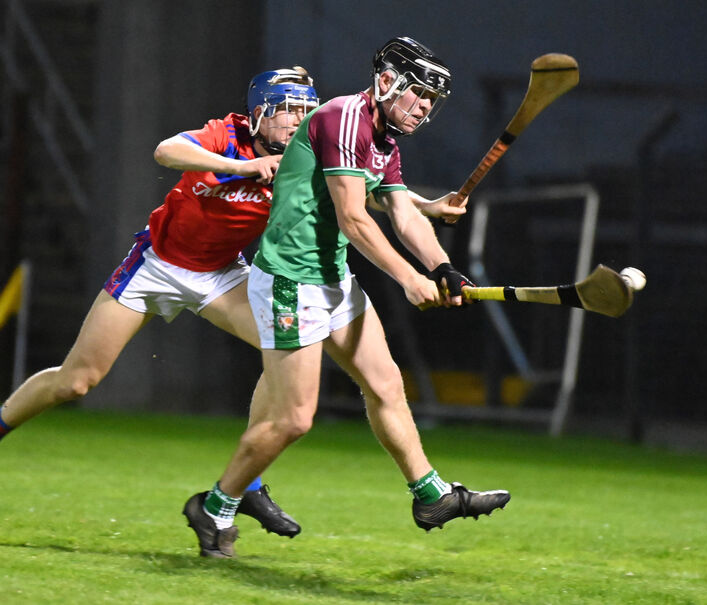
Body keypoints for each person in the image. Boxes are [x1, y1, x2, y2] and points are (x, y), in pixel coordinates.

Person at [0, 66, 467, 541]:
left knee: (284, 351)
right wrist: (243, 167)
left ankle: (247, 485)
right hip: (157, 266)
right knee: (77, 381)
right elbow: (166, 150)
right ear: (260, 112)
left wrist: (426, 206)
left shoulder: (302, 153)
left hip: (222, 275)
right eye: (288, 110)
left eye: (305, 110)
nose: (298, 119)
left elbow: (361, 185)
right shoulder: (228, 135)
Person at [182, 37, 510, 559]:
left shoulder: (384, 142)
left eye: (432, 100)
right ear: (387, 82)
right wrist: (408, 279)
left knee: (386, 385)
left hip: (332, 280)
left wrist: (443, 269)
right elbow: (355, 218)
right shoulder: (342, 120)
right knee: (293, 419)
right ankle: (215, 507)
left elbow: (402, 213)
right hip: (290, 281)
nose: (424, 107)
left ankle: (432, 497)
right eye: (419, 93)